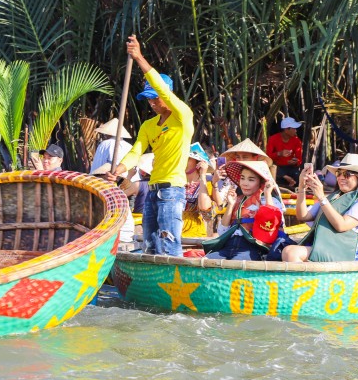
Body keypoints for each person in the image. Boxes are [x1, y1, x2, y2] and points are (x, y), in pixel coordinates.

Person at [110, 35, 194, 256]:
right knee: (149, 244)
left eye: (156, 98)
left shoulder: (182, 116)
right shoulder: (148, 125)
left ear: (168, 96)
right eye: (149, 99)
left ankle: (174, 285)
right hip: (153, 189)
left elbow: (163, 89)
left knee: (168, 244)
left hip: (172, 190)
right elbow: (136, 151)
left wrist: (139, 58)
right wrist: (118, 170)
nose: (153, 103)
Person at [283, 153, 358, 262]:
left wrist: (321, 197)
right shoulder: (333, 198)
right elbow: (303, 216)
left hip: (344, 252)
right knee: (286, 249)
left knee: (291, 252)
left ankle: (308, 279)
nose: (341, 177)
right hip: (325, 247)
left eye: (347, 174)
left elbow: (341, 225)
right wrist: (302, 187)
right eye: (339, 173)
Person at [202, 160, 284, 260]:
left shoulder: (270, 200)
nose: (245, 183)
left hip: (252, 248)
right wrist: (231, 205)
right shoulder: (237, 199)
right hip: (229, 245)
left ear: (261, 182)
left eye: (251, 179)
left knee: (236, 265)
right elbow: (222, 231)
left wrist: (267, 194)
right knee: (205, 261)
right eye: (242, 178)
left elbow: (272, 222)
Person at [183, 143, 215, 239]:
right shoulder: (177, 183)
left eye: (188, 159)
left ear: (198, 162)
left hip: (194, 235)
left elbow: (205, 210)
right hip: (173, 232)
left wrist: (202, 176)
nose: (182, 161)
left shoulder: (207, 185)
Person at [267, 117, 303, 187]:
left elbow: (300, 159)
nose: (296, 131)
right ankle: (286, 177)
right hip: (278, 168)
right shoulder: (273, 139)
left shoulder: (297, 141)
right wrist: (279, 153)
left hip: (291, 168)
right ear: (286, 129)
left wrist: (296, 161)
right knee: (273, 169)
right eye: (294, 129)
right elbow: (268, 157)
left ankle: (288, 179)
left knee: (298, 177)